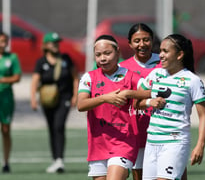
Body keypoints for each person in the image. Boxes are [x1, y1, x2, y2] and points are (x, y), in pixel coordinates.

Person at [119, 23, 188, 180]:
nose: (142, 44)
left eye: (146, 40)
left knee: (178, 176)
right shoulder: (122, 68)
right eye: (137, 41)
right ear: (129, 43)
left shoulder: (167, 62)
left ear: (152, 40)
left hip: (169, 132)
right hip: (138, 132)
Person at [77, 35, 151, 180]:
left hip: (124, 142)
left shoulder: (131, 77)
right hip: (98, 144)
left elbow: (149, 92)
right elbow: (81, 105)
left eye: (107, 53)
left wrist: (130, 93)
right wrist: (105, 98)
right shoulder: (89, 77)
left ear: (117, 52)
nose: (102, 58)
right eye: (98, 55)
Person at [138, 34, 205, 180]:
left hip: (175, 141)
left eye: (165, 51)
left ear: (180, 55)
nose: (161, 55)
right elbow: (136, 102)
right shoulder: (155, 74)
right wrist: (148, 102)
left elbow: (203, 116)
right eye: (161, 51)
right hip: (152, 141)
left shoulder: (193, 81)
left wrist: (200, 145)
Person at [30, 32, 79, 173]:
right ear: (45, 45)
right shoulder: (41, 62)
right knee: (52, 128)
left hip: (64, 98)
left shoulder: (66, 59)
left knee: (59, 125)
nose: (56, 45)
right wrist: (33, 99)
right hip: (47, 100)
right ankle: (55, 159)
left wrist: (76, 95)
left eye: (57, 42)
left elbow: (75, 77)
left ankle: (59, 160)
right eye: (53, 43)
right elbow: (34, 81)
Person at [0, 32, 22, 173]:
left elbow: (17, 76)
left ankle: (6, 162)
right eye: (1, 41)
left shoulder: (12, 57)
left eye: (5, 41)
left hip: (6, 98)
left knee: (6, 130)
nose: (3, 44)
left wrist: (2, 80)